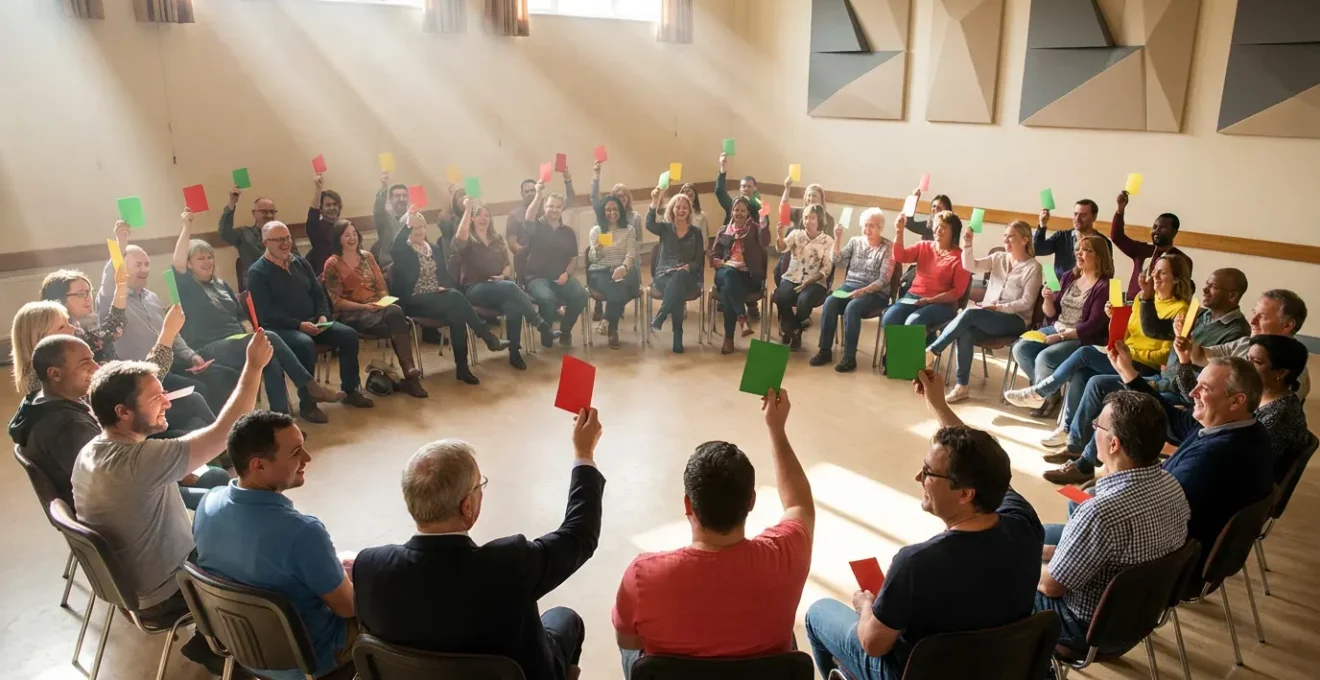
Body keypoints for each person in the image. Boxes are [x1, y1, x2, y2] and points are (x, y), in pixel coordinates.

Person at [804, 368, 1043, 680]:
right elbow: (985, 463)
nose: (919, 477)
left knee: (818, 612)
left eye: (929, 472)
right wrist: (938, 404)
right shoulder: (1025, 523)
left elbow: (873, 643)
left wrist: (866, 606)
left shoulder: (916, 563)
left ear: (965, 494)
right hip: (1001, 667)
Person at [71, 331, 272, 675]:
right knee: (270, 554)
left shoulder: (91, 450)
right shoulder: (139, 460)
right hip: (167, 593)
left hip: (132, 586)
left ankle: (209, 643)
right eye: (156, 398)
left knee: (230, 518)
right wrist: (253, 367)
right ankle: (246, 652)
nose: (167, 403)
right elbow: (224, 432)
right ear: (123, 412)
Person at [353, 410, 606, 680]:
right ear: (467, 506)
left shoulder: (368, 567)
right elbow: (579, 535)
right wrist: (584, 453)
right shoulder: (510, 564)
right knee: (565, 618)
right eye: (479, 485)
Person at [613, 388, 813, 676]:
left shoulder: (642, 575)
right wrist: (776, 429)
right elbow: (799, 504)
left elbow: (628, 641)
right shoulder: (787, 554)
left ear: (688, 505)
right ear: (751, 501)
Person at [1042, 268, 1253, 484]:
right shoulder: (1200, 315)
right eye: (1206, 284)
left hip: (1185, 392)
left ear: (1232, 295)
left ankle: (1087, 463)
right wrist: (1147, 298)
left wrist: (1166, 370)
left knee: (1123, 402)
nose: (1205, 289)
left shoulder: (1237, 332)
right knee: (1095, 381)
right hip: (1165, 379)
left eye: (1213, 287)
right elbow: (1155, 330)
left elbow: (1206, 375)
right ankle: (1077, 449)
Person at [193, 411, 357, 680]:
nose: (307, 458)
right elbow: (348, 608)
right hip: (309, 661)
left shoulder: (208, 504)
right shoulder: (302, 533)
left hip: (241, 646)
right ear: (258, 465)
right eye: (295, 452)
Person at [1035, 391, 1189, 652]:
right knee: (1040, 538)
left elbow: (1051, 587)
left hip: (1085, 629)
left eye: (1097, 425)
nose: (1093, 428)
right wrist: (1051, 552)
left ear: (1114, 444)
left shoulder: (1099, 513)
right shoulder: (1172, 485)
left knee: (995, 573)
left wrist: (1017, 562)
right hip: (1139, 618)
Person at [9, 334, 229, 511]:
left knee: (190, 427)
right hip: (131, 507)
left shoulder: (38, 402)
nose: (96, 367)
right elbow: (115, 484)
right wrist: (174, 474)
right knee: (215, 478)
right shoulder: (69, 428)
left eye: (93, 359)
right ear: (55, 374)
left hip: (124, 486)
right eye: (86, 363)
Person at [1108, 346, 1274, 580]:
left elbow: (1153, 509)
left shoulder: (1215, 457)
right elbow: (1172, 419)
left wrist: (1116, 470)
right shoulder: (1242, 427)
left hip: (1165, 564)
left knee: (1080, 508)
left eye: (1204, 388)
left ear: (1236, 401)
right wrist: (1128, 373)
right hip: (1180, 542)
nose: (1193, 392)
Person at [171, 210, 345, 423]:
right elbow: (177, 263)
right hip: (210, 347)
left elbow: (241, 315)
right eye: (201, 259)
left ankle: (281, 422)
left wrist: (252, 334)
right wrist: (186, 227)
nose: (207, 262)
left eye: (210, 257)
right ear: (189, 264)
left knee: (270, 358)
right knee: (269, 338)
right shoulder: (187, 287)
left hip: (237, 341)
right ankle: (311, 386)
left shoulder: (221, 285)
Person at [1005, 253, 1193, 437]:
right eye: (1154, 271)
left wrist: (1133, 353)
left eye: (1162, 272)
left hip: (1145, 366)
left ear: (1176, 279)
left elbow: (1167, 354)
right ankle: (1067, 429)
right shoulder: (1142, 298)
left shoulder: (1180, 309)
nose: (1154, 276)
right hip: (1125, 356)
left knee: (1085, 353)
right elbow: (1125, 334)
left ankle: (1041, 392)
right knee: (1081, 373)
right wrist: (1114, 319)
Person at [25, 287, 216, 436]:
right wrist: (167, 334)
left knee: (196, 409)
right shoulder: (58, 379)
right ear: (39, 338)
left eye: (70, 322)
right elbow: (121, 395)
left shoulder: (69, 358)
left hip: (124, 423)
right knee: (195, 423)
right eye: (62, 327)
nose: (73, 329)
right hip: (124, 435)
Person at [96, 221, 240, 414]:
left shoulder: (152, 298)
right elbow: (110, 275)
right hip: (138, 377)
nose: (144, 269)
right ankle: (213, 429)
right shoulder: (112, 299)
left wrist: (192, 356)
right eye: (137, 265)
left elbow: (171, 334)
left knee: (225, 376)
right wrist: (120, 243)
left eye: (147, 264)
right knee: (199, 391)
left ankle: (227, 425)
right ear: (122, 269)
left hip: (168, 366)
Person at [246, 221, 375, 409]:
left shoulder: (300, 262)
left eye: (288, 238)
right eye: (279, 240)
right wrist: (299, 325)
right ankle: (308, 404)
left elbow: (318, 293)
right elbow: (265, 314)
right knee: (304, 344)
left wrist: (323, 315)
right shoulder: (257, 272)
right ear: (265, 242)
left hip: (314, 323)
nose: (285, 243)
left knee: (349, 335)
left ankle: (350, 391)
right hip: (282, 329)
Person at [389, 203, 513, 379]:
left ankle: (462, 368)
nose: (419, 231)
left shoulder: (433, 249)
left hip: (436, 298)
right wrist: (407, 222)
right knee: (455, 297)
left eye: (422, 226)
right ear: (407, 229)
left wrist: (444, 287)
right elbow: (395, 247)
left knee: (457, 316)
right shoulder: (403, 251)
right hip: (414, 300)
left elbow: (445, 277)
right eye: (414, 228)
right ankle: (487, 336)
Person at [927, 221, 1041, 402]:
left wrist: (999, 307)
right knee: (965, 333)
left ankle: (933, 350)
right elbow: (970, 266)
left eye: (1011, 236)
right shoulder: (998, 258)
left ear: (1025, 240)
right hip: (990, 315)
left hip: (1015, 319)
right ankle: (962, 386)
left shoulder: (1033, 267)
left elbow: (1026, 303)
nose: (1006, 240)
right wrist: (968, 245)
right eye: (1005, 236)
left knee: (969, 313)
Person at [1010, 234, 1114, 419]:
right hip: (1057, 327)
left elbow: (1093, 326)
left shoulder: (1105, 286)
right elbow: (1052, 314)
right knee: (1020, 348)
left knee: (1045, 358)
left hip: (1081, 336)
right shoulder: (1068, 276)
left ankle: (1043, 396)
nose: (1079, 254)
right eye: (1078, 250)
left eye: (1086, 250)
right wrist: (1048, 300)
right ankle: (1052, 395)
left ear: (1099, 257)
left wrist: (1060, 337)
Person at [321, 219, 427, 397]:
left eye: (354, 234)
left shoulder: (367, 257)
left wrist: (384, 301)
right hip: (353, 314)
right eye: (346, 235)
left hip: (379, 310)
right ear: (338, 239)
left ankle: (410, 375)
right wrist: (364, 306)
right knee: (397, 320)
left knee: (394, 311)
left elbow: (381, 286)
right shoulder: (332, 264)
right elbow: (336, 301)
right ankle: (410, 374)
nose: (352, 238)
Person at [453, 200, 556, 370]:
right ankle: (542, 325)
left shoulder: (497, 239)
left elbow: (508, 266)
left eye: (487, 215)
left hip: (499, 287)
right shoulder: (468, 240)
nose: (484, 219)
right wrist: (468, 208)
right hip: (475, 289)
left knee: (513, 305)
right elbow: (459, 236)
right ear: (472, 219)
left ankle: (514, 353)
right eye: (479, 215)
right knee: (511, 288)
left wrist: (502, 275)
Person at [1181, 289, 1310, 399]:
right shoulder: (1244, 343)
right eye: (1254, 313)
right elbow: (1200, 356)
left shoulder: (1293, 369)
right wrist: (1185, 334)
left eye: (1263, 317)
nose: (1252, 321)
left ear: (1287, 325)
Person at [810, 208, 895, 373]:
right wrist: (837, 238)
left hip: (875, 292)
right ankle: (825, 350)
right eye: (865, 225)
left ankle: (849, 357)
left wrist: (863, 291)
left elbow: (884, 280)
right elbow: (837, 261)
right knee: (830, 302)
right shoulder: (855, 241)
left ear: (880, 228)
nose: (867, 230)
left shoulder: (888, 247)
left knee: (852, 307)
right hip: (850, 286)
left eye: (872, 226)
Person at [884, 211, 971, 342]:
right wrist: (899, 232)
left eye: (943, 227)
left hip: (942, 303)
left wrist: (932, 300)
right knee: (890, 318)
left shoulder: (960, 257)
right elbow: (900, 256)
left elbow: (957, 292)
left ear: (953, 232)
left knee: (913, 322)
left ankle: (907, 354)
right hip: (914, 297)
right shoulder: (923, 246)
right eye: (936, 225)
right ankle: (905, 353)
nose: (938, 230)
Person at [523, 183, 589, 347]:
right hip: (537, 279)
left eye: (558, 207)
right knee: (547, 299)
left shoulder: (568, 232)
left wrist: (567, 273)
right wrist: (538, 194)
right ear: (544, 207)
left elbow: (573, 258)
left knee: (581, 295)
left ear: (562, 209)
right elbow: (529, 216)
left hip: (561, 278)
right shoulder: (536, 226)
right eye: (550, 206)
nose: (554, 209)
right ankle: (547, 332)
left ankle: (565, 330)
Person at [1242, 335, 1310, 480]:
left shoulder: (1280, 415)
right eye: (1247, 358)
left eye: (1256, 362)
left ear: (1281, 373)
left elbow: (1246, 464)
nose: (1246, 365)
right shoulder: (1255, 393)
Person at [646, 190, 706, 354]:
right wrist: (654, 201)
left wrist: (688, 267)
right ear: (672, 209)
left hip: (688, 277)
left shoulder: (696, 233)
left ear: (689, 211)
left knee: (680, 278)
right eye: (677, 207)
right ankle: (677, 335)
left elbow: (698, 261)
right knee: (677, 289)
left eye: (684, 207)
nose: (681, 210)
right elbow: (649, 224)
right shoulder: (665, 229)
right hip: (664, 275)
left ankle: (662, 315)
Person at [710, 195, 771, 354]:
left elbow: (765, 240)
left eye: (743, 210)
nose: (739, 213)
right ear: (731, 212)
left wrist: (764, 218)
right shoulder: (724, 230)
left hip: (747, 276)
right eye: (736, 210)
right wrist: (716, 261)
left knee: (728, 291)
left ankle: (728, 338)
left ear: (748, 213)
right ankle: (742, 317)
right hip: (724, 272)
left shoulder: (755, 229)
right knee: (729, 274)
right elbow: (714, 254)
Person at [773, 203, 834, 350]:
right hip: (792, 276)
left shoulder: (827, 241)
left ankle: (790, 328)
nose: (808, 221)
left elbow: (826, 269)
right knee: (781, 297)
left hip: (815, 281)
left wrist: (808, 281)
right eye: (806, 217)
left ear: (819, 220)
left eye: (812, 218)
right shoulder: (796, 234)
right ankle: (795, 329)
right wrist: (780, 235)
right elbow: (782, 248)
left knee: (803, 302)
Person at [586, 195, 640, 349]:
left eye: (615, 209)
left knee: (622, 284)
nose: (612, 212)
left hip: (624, 269)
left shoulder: (629, 230)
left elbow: (631, 255)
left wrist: (623, 268)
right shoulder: (596, 231)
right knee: (620, 289)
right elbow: (592, 259)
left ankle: (607, 320)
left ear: (621, 211)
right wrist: (597, 250)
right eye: (608, 209)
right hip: (601, 271)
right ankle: (612, 329)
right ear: (603, 212)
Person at [1110, 190, 1187, 299]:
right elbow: (1117, 237)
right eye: (1155, 227)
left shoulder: (1181, 260)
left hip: (1156, 307)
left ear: (1174, 232)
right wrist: (1120, 210)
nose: (1157, 231)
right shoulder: (1142, 250)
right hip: (1131, 304)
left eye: (1163, 228)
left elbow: (1181, 291)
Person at [220, 187, 294, 291]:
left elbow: (296, 260)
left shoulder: (283, 234)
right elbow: (224, 233)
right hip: (257, 286)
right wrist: (232, 202)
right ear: (254, 213)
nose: (269, 215)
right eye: (264, 212)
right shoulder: (244, 234)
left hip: (283, 284)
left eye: (272, 212)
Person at [508, 170, 576, 280]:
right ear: (521, 194)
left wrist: (568, 180)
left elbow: (570, 199)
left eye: (533, 190)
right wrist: (530, 252)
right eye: (527, 191)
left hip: (554, 256)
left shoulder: (550, 207)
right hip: (530, 258)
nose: (530, 193)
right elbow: (512, 243)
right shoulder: (515, 215)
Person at [1035, 199, 1113, 284]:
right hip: (1059, 287)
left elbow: (1108, 272)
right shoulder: (1061, 236)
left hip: (1088, 288)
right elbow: (1037, 250)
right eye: (1075, 214)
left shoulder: (1102, 242)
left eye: (1083, 215)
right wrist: (1042, 225)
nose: (1077, 219)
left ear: (1094, 217)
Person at [714, 152, 763, 232]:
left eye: (749, 186)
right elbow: (720, 191)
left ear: (755, 188)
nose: (746, 188)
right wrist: (723, 166)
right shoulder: (734, 204)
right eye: (744, 186)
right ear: (740, 188)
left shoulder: (759, 206)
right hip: (731, 237)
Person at [304, 174, 341, 275]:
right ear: (321, 209)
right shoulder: (318, 229)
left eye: (335, 204)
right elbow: (312, 216)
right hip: (326, 275)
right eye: (328, 205)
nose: (332, 208)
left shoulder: (345, 227)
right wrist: (318, 189)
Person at [371, 174, 410, 269]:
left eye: (404, 196)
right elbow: (378, 208)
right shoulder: (384, 218)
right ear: (390, 199)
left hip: (411, 266)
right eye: (397, 196)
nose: (401, 199)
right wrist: (384, 187)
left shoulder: (413, 217)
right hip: (390, 267)